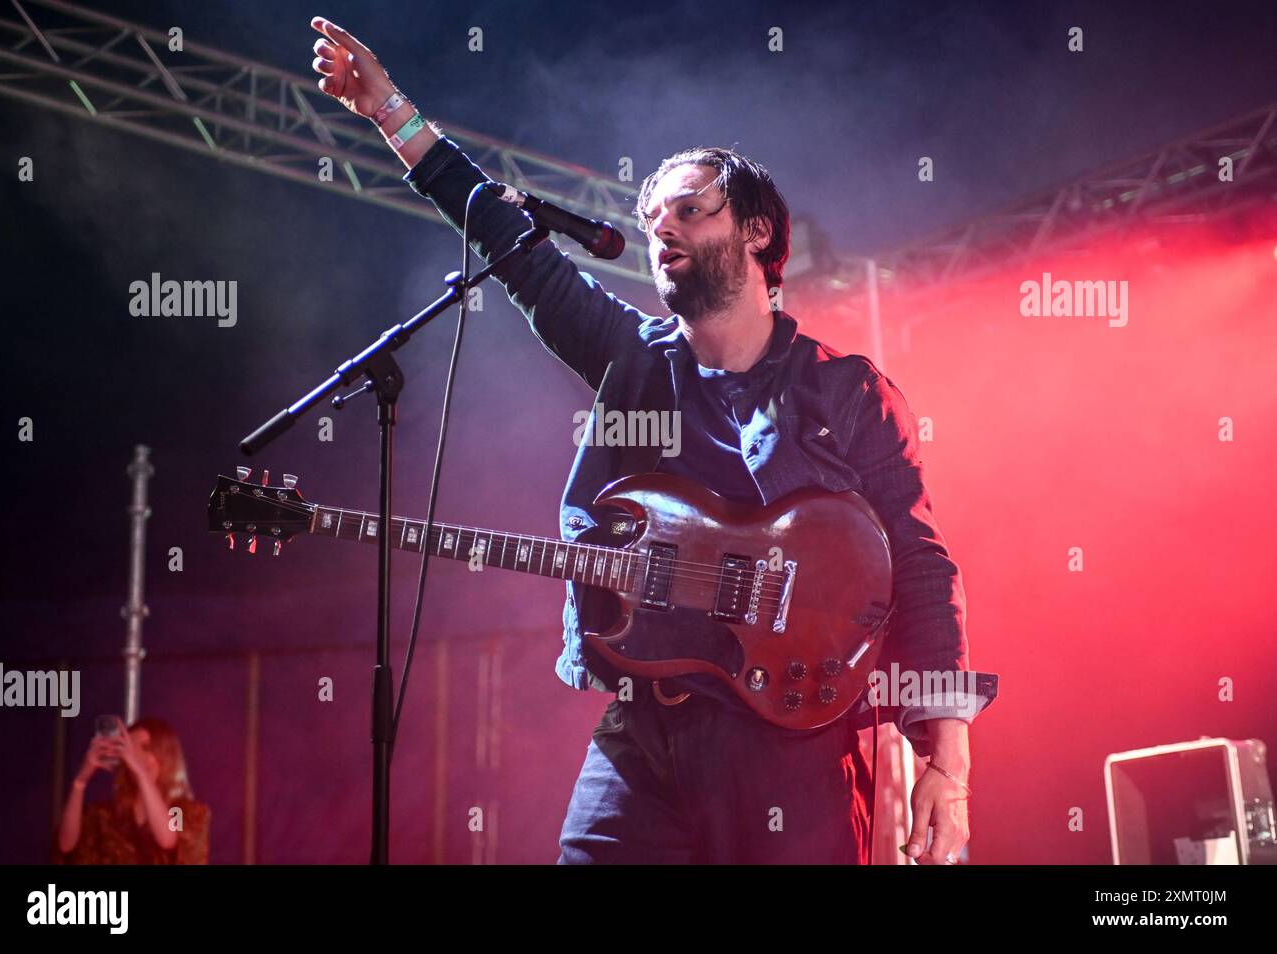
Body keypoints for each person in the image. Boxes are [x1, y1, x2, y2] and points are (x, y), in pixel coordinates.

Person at [309, 16, 999, 864]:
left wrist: (946, 759)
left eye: (688, 210)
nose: (660, 229)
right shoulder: (634, 363)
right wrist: (390, 113)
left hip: (793, 751)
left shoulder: (845, 390)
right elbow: (512, 246)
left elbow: (924, 566)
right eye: (650, 219)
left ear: (755, 233)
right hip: (646, 731)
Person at [53, 717, 209, 865]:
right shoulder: (106, 814)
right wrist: (80, 782)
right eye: (131, 750)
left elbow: (168, 839)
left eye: (146, 748)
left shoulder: (182, 811)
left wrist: (140, 772)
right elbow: (66, 846)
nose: (136, 757)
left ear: (166, 754)